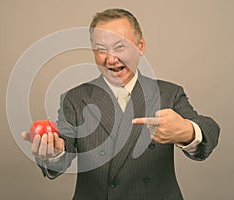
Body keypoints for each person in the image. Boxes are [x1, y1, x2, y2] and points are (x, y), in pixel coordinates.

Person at [22, 8, 220, 200]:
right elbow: (63, 149)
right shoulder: (74, 98)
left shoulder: (168, 93)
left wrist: (187, 132)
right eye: (101, 50)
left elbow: (209, 130)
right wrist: (54, 152)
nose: (111, 58)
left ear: (140, 46)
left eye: (120, 47)